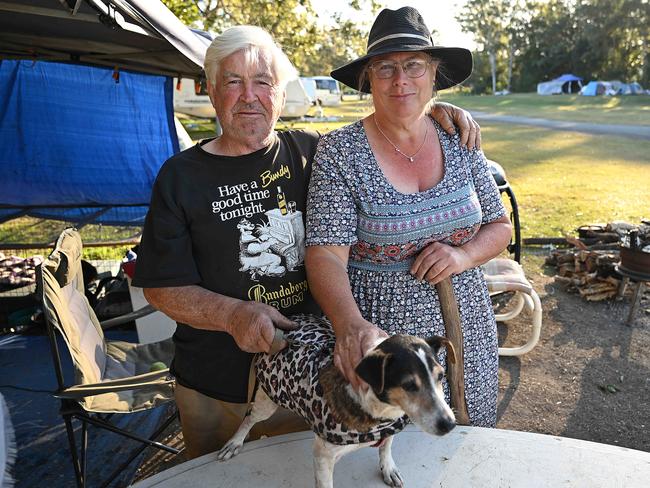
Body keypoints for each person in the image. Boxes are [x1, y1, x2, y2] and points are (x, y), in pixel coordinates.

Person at [132, 24, 482, 459]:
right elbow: (160, 286)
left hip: (309, 380)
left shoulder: (313, 152)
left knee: (306, 471)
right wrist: (232, 314)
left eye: (263, 82)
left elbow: (382, 134)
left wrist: (430, 111)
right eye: (234, 82)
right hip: (216, 383)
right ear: (210, 89)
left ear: (280, 92)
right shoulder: (179, 177)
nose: (249, 96)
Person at [305, 6, 512, 427]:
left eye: (414, 66)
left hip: (466, 330)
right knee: (392, 456)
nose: (401, 80)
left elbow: (500, 225)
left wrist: (463, 256)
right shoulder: (340, 152)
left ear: (434, 74)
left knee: (466, 449)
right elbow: (325, 255)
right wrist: (350, 326)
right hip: (385, 352)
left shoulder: (459, 138)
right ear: (368, 80)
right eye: (385, 68)